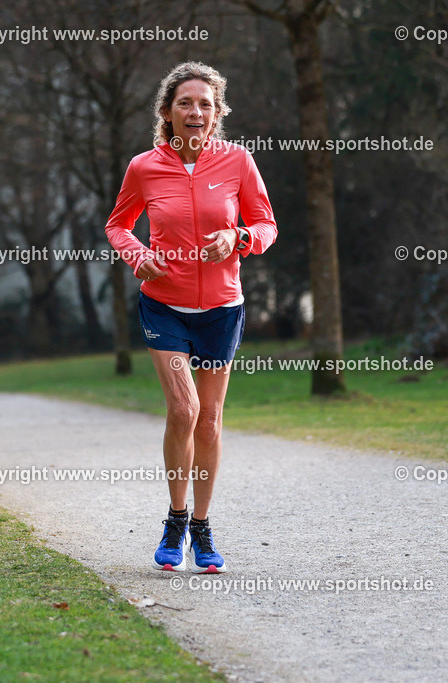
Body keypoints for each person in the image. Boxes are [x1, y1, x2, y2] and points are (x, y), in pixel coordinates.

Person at [105, 62, 277, 573]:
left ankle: (202, 528)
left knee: (210, 417)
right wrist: (138, 256)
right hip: (165, 304)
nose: (195, 111)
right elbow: (118, 226)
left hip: (222, 309)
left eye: (205, 103)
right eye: (185, 103)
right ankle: (175, 517)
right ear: (167, 112)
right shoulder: (144, 167)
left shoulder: (239, 163)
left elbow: (266, 224)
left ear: (218, 112)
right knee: (183, 410)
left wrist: (239, 238)